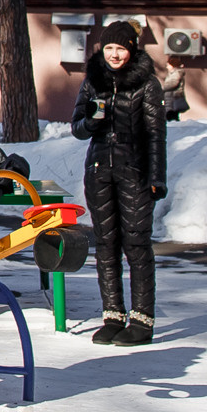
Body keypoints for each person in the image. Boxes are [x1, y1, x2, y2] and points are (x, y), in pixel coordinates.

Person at [70, 20, 168, 346]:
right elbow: (77, 129)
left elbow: (156, 135)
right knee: (106, 245)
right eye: (109, 48)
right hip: (99, 172)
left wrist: (156, 178)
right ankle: (112, 316)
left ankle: (142, 320)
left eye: (121, 48)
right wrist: (91, 121)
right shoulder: (93, 81)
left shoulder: (147, 85)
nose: (114, 54)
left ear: (131, 49)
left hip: (135, 172)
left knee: (136, 245)